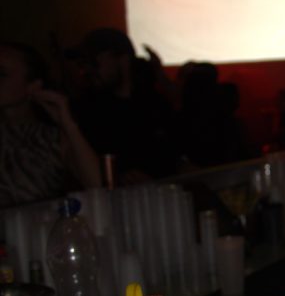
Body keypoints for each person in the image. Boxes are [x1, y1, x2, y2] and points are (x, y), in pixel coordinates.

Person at [66, 27, 181, 183]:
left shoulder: (155, 106)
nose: (87, 69)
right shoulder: (87, 112)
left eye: (94, 61)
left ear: (122, 58)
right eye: (83, 63)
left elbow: (177, 161)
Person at [0, 42, 101, 208]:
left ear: (33, 86)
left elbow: (98, 186)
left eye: (2, 74)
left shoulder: (49, 138)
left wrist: (68, 124)